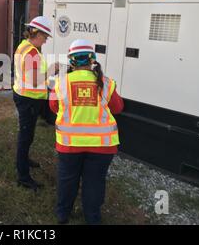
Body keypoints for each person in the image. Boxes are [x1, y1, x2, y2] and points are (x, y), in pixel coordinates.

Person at [49, 39, 124, 224]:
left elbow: (53, 107)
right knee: (94, 182)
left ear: (71, 60)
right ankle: (92, 218)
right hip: (102, 147)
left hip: (69, 145)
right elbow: (118, 108)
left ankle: (62, 214)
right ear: (93, 60)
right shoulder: (106, 83)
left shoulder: (59, 83)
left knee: (67, 180)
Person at [12, 16, 57, 191]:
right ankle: (23, 176)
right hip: (28, 100)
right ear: (36, 33)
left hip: (25, 96)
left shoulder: (25, 46)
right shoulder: (31, 52)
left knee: (28, 135)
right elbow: (35, 80)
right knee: (25, 137)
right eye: (45, 37)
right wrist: (52, 70)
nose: (45, 41)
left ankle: (24, 160)